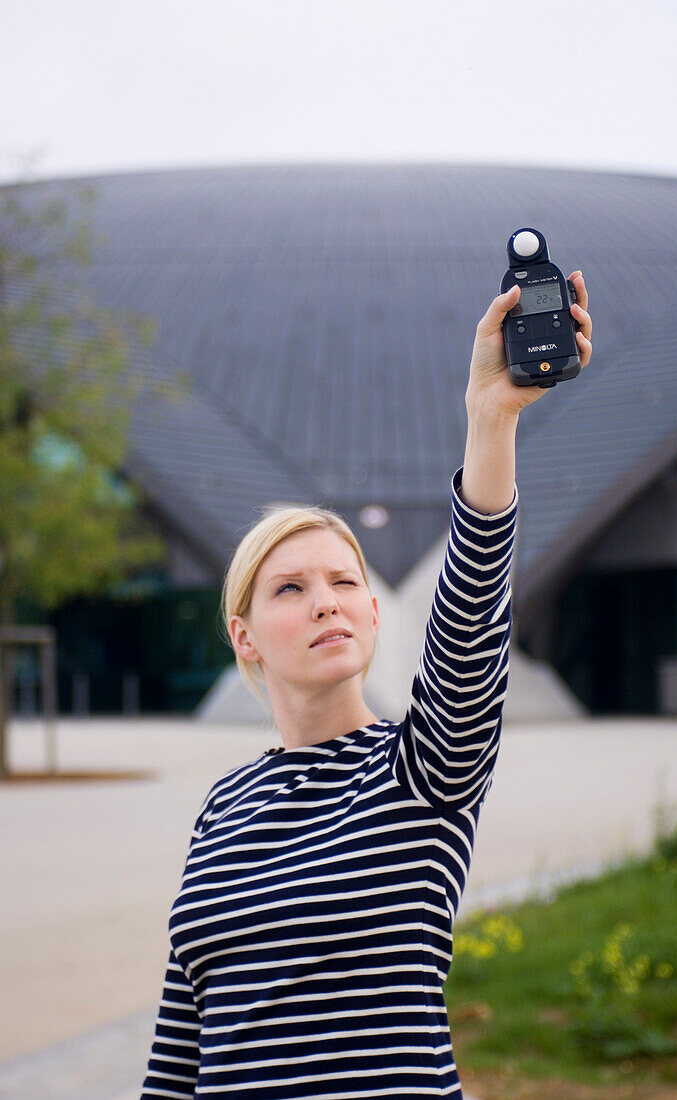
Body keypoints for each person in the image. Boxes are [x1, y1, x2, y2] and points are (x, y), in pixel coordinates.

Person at [140, 278, 593, 1098]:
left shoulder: (419, 772)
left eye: (343, 583)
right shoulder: (224, 804)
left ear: (373, 613)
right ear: (244, 636)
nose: (325, 601)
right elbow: (180, 1040)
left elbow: (466, 639)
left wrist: (490, 417)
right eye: (289, 588)